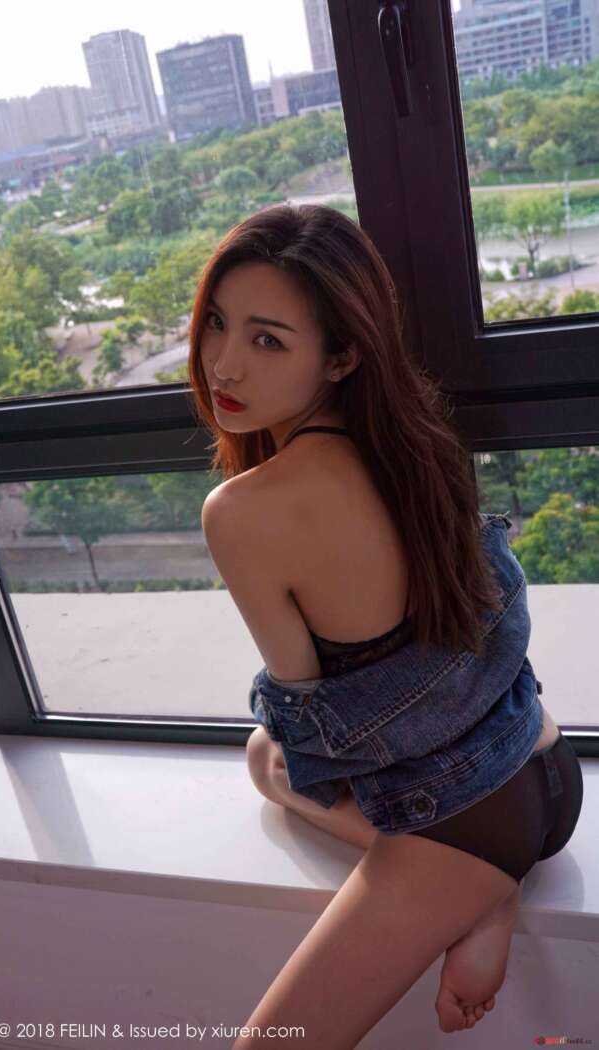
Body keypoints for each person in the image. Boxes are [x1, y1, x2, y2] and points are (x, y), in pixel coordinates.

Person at [188, 203, 584, 1049]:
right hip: (545, 760)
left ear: (342, 356)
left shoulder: (240, 512)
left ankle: (488, 893)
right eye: (217, 322)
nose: (223, 363)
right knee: (261, 761)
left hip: (470, 825)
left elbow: (319, 737)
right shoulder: (415, 445)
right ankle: (486, 880)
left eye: (267, 340)